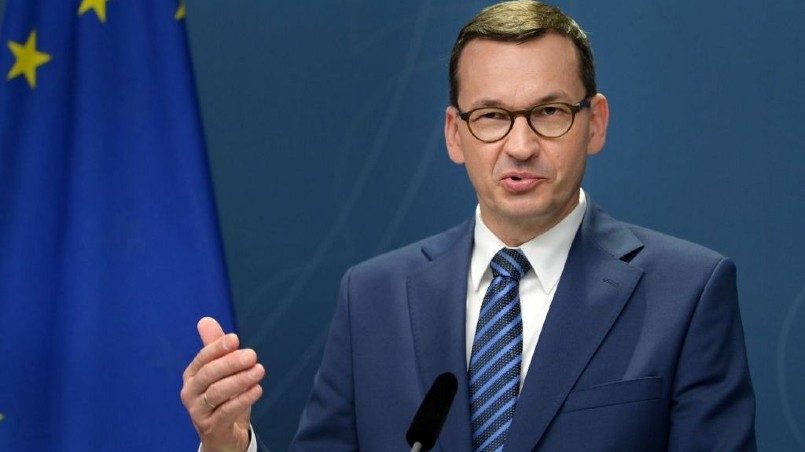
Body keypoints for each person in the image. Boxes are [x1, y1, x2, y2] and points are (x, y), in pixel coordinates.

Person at [180, 1, 757, 450]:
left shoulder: (686, 292)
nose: (521, 145)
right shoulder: (372, 297)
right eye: (492, 116)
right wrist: (230, 445)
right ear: (455, 135)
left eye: (549, 112)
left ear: (595, 123)